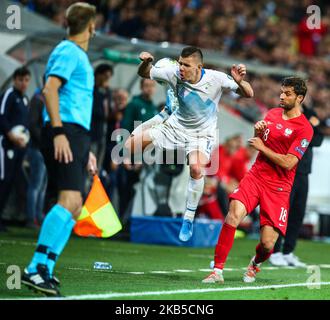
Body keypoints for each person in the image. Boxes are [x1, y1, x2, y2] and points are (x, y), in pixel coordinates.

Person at [125, 46, 254, 242]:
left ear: (199, 67)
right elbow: (145, 73)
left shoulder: (216, 78)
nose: (181, 68)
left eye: (186, 65)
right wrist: (145, 63)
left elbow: (249, 93)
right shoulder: (173, 73)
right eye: (180, 63)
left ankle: (188, 217)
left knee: (196, 168)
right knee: (128, 147)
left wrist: (240, 82)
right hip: (175, 128)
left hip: (201, 135)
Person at [202, 77, 314, 284]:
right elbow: (259, 143)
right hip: (256, 176)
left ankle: (255, 263)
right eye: (282, 91)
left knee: (267, 244)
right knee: (233, 215)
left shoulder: (305, 129)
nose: (282, 96)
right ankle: (217, 270)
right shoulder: (271, 114)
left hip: (279, 187)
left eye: (287, 94)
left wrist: (262, 148)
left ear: (299, 98)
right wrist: (258, 133)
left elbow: (289, 163)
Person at [21, 2, 97, 296]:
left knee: (75, 206)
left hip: (75, 133)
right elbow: (50, 90)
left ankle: (46, 268)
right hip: (63, 129)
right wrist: (58, 132)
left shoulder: (77, 55)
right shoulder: (68, 51)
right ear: (91, 26)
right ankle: (34, 267)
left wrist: (84, 146)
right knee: (67, 200)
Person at [269, 104, 324, 267]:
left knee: (298, 213)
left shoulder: (310, 112)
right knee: (282, 212)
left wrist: (306, 134)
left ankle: (288, 251)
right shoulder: (286, 112)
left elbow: (318, 139)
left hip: (304, 172)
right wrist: (307, 131)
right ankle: (275, 251)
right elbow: (287, 136)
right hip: (287, 171)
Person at [0, 67, 31, 232]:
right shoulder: (9, 95)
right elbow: (1, 116)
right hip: (5, 144)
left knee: (11, 181)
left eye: (27, 80)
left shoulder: (25, 99)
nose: (24, 83)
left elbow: (25, 125)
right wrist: (11, 136)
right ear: (14, 80)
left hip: (19, 147)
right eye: (21, 80)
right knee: (3, 180)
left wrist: (24, 140)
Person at [25, 87, 48, 228]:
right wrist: (44, 142)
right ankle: (31, 217)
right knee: (36, 184)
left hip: (45, 150)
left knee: (42, 185)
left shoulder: (48, 99)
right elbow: (33, 125)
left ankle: (38, 216)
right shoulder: (38, 99)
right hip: (37, 148)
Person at [90, 63, 113, 169]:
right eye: (105, 76)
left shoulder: (107, 92)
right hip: (92, 133)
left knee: (99, 163)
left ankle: (95, 183)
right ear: (98, 75)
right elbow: (95, 110)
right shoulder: (91, 90)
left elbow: (108, 111)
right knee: (91, 162)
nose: (107, 80)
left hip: (102, 134)